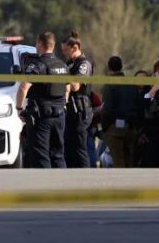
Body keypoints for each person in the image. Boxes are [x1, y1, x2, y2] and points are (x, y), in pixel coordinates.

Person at [16, 31, 70, 169]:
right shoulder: (63, 65)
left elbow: (23, 87)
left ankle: (45, 188)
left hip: (41, 116)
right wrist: (63, 104)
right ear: (53, 45)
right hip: (59, 115)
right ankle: (62, 187)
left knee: (41, 155)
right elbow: (68, 88)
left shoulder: (37, 65)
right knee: (58, 154)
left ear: (40, 44)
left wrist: (19, 109)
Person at [100, 56, 142, 168]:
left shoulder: (109, 85)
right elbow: (138, 105)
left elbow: (107, 109)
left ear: (109, 68)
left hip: (115, 128)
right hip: (131, 127)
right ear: (121, 66)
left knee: (118, 161)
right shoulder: (132, 84)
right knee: (129, 160)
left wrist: (105, 127)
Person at [61, 32, 94, 168]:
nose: (64, 53)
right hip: (70, 111)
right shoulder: (69, 64)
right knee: (69, 148)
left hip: (80, 111)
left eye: (66, 50)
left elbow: (75, 86)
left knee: (79, 148)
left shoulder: (84, 64)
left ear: (74, 47)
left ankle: (85, 178)